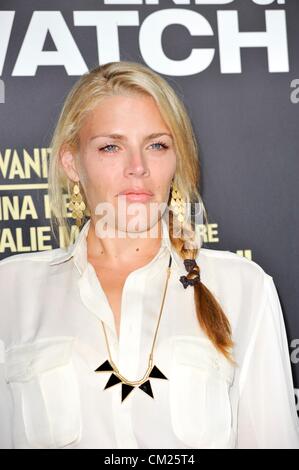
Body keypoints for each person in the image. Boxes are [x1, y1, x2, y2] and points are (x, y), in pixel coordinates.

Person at [0, 61, 298, 449]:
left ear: (176, 160)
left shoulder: (244, 289)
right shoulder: (10, 290)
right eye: (111, 146)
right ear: (72, 163)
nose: (137, 168)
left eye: (157, 145)